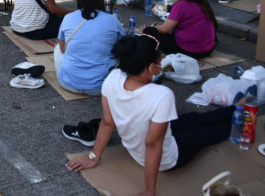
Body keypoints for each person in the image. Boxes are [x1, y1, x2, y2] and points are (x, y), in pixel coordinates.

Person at [66, 34, 253, 196]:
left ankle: (236, 107)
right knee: (206, 133)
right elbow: (153, 144)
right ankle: (242, 118)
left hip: (140, 149)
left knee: (195, 119)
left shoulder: (113, 78)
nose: (161, 64)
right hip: (167, 159)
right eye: (159, 60)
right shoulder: (161, 95)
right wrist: (149, 190)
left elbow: (107, 122)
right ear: (150, 68)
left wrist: (93, 157)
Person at [56, 0, 123, 96]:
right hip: (101, 86)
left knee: (58, 49)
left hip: (68, 83)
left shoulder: (68, 17)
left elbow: (63, 49)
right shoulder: (112, 20)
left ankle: (71, 72)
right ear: (99, 0)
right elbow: (123, 48)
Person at [142, 0, 217, 59]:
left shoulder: (182, 4)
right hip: (208, 49)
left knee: (148, 31)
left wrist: (156, 27)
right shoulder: (202, 1)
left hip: (189, 51)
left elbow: (164, 30)